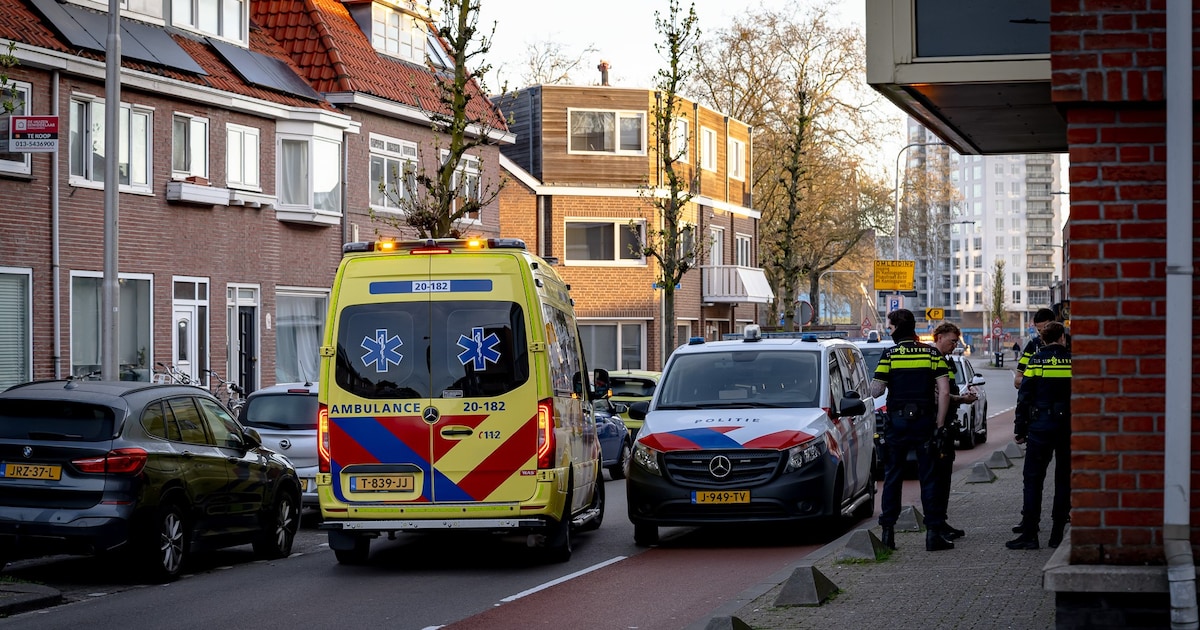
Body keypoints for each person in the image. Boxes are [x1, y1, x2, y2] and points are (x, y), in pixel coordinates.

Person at [871, 309, 953, 552]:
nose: (889, 330)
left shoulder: (890, 355)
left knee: (892, 478)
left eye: (890, 327)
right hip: (925, 424)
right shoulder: (931, 354)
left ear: (898, 327)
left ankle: (888, 534)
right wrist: (939, 425)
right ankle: (933, 535)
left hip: (897, 425)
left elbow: (876, 391)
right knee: (929, 479)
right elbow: (945, 392)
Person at [1006, 322, 1072, 550]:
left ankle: (1030, 534)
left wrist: (1020, 430)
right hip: (1067, 428)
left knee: (1033, 480)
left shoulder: (1035, 360)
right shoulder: (1073, 360)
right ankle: (1056, 534)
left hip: (1040, 427)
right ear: (1062, 338)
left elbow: (1024, 397)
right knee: (1064, 480)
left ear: (1043, 340)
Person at [928, 322, 978, 541]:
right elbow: (938, 396)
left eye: (957, 341)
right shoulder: (931, 358)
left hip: (947, 425)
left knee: (944, 477)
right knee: (937, 478)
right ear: (938, 337)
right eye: (951, 341)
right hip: (937, 427)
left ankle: (941, 522)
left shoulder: (946, 360)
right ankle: (935, 525)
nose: (954, 345)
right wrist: (962, 399)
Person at [1013, 308, 1057, 390]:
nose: (1044, 333)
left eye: (1046, 328)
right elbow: (1017, 381)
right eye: (1040, 330)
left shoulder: (1068, 345)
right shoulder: (1032, 346)